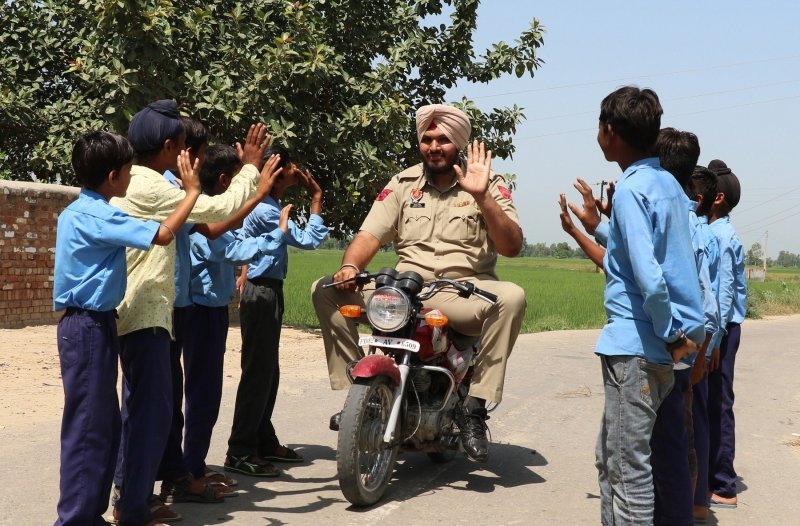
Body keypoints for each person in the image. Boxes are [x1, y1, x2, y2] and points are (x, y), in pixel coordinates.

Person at [311, 103, 527, 463]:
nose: (433, 146)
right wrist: (349, 266)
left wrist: (482, 195)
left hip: (465, 291)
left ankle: (473, 407)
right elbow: (369, 234)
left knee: (513, 297)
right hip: (407, 288)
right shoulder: (403, 182)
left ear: (458, 143)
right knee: (325, 290)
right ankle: (361, 396)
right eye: (427, 139)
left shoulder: (489, 183)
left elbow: (512, 246)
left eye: (443, 139)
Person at [108, 100, 278, 526]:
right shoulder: (153, 185)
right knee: (147, 409)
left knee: (156, 407)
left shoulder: (145, 180)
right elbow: (214, 215)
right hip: (148, 311)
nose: (192, 160)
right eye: (187, 149)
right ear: (171, 147)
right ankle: (131, 501)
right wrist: (252, 173)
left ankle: (154, 487)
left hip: (155, 311)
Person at [53, 131, 200, 526]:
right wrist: (191, 192)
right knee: (90, 428)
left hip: (88, 324)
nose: (133, 177)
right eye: (130, 171)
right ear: (115, 175)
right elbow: (164, 234)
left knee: (101, 424)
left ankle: (87, 514)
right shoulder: (101, 215)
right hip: (88, 326)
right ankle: (77, 519)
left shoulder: (76, 210)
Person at [587, 86, 704, 524]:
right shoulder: (669, 186)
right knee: (611, 458)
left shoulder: (632, 190)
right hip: (662, 346)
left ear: (611, 132)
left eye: (600, 125)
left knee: (627, 468)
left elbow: (649, 274)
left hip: (639, 345)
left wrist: (672, 334)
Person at [182, 144, 290, 486]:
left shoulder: (211, 214)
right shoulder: (204, 216)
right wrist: (279, 230)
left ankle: (192, 466)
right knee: (204, 394)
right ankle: (193, 469)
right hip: (201, 312)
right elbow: (232, 249)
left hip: (211, 309)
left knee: (212, 391)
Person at [225, 146, 328, 477]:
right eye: (291, 165)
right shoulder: (268, 211)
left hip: (268, 289)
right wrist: (316, 198)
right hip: (262, 291)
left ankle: (263, 439)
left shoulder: (269, 205)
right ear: (278, 171)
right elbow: (309, 240)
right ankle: (241, 449)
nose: (298, 169)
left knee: (267, 371)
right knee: (258, 372)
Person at [706, 159, 746, 509]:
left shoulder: (722, 235)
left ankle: (724, 485)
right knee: (711, 403)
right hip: (720, 330)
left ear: (717, 197)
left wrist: (715, 338)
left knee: (719, 404)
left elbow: (725, 291)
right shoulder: (715, 231)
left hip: (723, 330)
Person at [686, 165, 722, 522]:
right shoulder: (702, 231)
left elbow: (712, 300)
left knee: (693, 420)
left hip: (695, 343)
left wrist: (708, 347)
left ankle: (696, 500)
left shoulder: (699, 234)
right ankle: (696, 499)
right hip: (702, 340)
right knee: (696, 419)